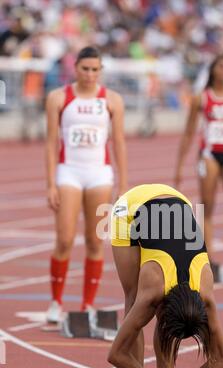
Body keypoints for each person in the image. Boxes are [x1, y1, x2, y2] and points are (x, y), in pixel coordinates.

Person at [108, 183, 223, 368]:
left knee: (170, 330)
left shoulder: (205, 294)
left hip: (176, 199)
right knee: (133, 300)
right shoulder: (154, 287)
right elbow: (115, 354)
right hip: (131, 210)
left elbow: (221, 361)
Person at [44, 46, 127, 325]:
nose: (90, 74)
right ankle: (56, 301)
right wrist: (50, 184)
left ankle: (87, 304)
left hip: (99, 175)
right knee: (64, 239)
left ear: (100, 70)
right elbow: (51, 143)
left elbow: (118, 143)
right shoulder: (59, 98)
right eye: (85, 69)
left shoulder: (111, 100)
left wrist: (123, 184)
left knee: (95, 241)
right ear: (75, 68)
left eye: (95, 69)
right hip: (69, 172)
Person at [175, 54, 223, 271]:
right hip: (208, 155)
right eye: (220, 67)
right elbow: (189, 132)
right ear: (213, 70)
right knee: (207, 207)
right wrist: (179, 165)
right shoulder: (202, 98)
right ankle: (208, 258)